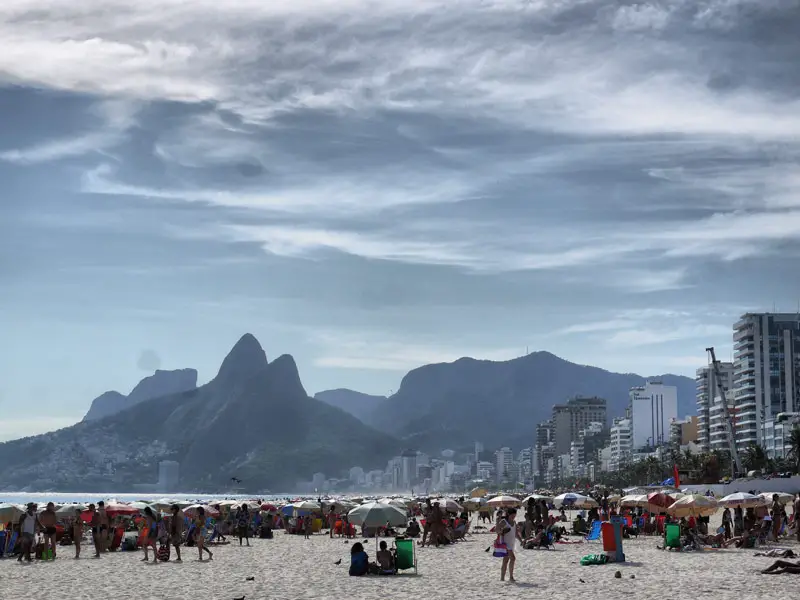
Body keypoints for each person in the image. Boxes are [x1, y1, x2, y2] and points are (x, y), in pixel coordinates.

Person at [498, 507, 517, 582]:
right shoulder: (504, 521)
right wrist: (502, 531)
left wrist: (521, 540)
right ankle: (511, 577)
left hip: (512, 544)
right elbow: (497, 530)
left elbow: (515, 533)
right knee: (513, 558)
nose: (513, 517)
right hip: (505, 544)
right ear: (508, 514)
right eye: (512, 515)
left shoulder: (514, 522)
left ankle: (502, 578)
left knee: (505, 561)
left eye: (514, 515)